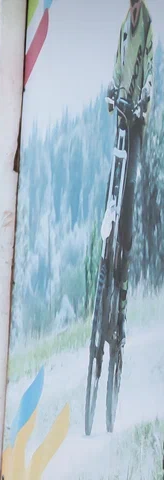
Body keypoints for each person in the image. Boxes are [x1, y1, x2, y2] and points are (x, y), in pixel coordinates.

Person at [110, 0, 153, 317]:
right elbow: (116, 65)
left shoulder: (148, 23)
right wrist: (112, 91)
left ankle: (122, 283)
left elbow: (151, 67)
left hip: (137, 119)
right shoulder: (125, 24)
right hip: (122, 114)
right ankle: (106, 245)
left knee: (131, 185)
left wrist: (145, 98)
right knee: (114, 178)